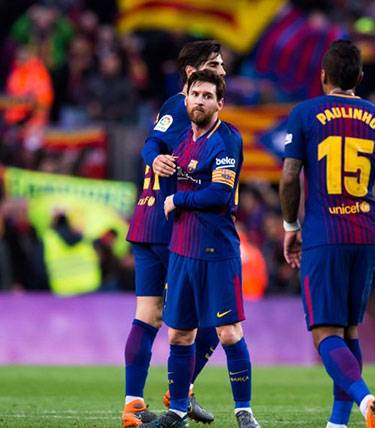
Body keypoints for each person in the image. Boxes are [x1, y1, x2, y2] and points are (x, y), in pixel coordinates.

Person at [279, 39, 375, 428]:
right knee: (349, 330)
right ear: (360, 77)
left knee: (325, 334)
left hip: (324, 232)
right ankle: (338, 423)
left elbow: (289, 178)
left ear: (322, 76)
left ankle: (366, 401)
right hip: (366, 233)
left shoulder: (304, 114)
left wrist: (290, 226)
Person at [141, 69, 260, 428]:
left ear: (219, 103)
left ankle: (244, 411)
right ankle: (177, 411)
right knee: (179, 333)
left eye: (208, 96)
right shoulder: (180, 138)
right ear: (187, 97)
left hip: (217, 252)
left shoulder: (227, 139)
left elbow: (220, 194)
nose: (201, 101)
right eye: (196, 94)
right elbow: (152, 146)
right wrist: (154, 160)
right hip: (181, 250)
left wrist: (178, 199)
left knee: (228, 332)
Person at [122, 40, 226, 427]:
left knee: (148, 315)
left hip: (146, 222)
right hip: (173, 226)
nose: (222, 70)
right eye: (214, 64)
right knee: (215, 319)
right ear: (191, 73)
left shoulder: (172, 106)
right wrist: (159, 160)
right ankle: (178, 394)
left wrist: (156, 158)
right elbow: (152, 145)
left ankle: (133, 406)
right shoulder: (190, 107)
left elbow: (151, 144)